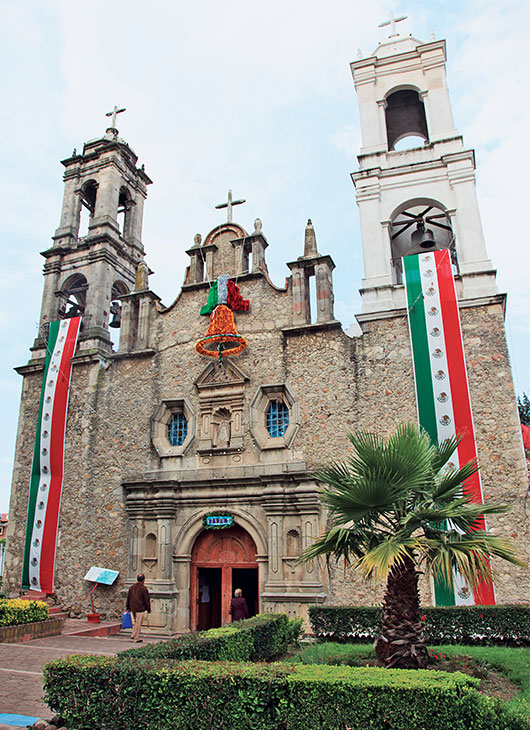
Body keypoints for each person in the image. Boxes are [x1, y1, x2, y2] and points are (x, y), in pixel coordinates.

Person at [126, 574, 151, 642]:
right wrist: (148, 609)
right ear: (143, 580)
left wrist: (127, 607)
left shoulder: (131, 587)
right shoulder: (144, 589)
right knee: (138, 623)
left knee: (135, 622)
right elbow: (146, 600)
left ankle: (133, 634)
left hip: (132, 607)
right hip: (140, 608)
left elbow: (128, 598)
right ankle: (135, 638)